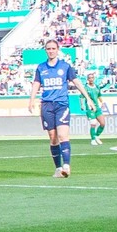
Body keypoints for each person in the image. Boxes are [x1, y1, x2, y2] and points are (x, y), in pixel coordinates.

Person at [26, 39, 92, 178]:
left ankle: (66, 166)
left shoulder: (65, 66)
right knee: (53, 138)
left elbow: (76, 82)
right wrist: (31, 100)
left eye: (53, 48)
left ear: (57, 50)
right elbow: (36, 84)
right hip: (47, 105)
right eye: (48, 49)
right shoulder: (41, 68)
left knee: (62, 135)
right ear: (46, 50)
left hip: (61, 104)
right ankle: (58, 168)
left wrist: (88, 98)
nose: (51, 51)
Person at [83, 70, 107, 145]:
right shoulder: (85, 88)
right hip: (90, 108)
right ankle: (93, 139)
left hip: (97, 108)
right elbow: (81, 97)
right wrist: (82, 105)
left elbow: (99, 95)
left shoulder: (97, 86)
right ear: (88, 79)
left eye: (92, 78)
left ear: (94, 78)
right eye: (89, 78)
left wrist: (102, 102)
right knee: (93, 123)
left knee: (102, 123)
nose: (91, 79)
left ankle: (96, 136)